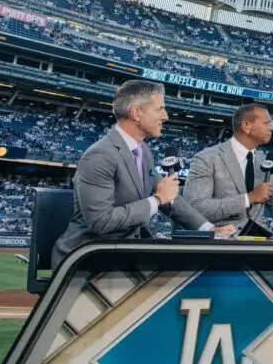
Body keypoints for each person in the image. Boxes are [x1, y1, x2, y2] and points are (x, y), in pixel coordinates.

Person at [52, 80, 234, 267]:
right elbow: (100, 222)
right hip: (88, 259)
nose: (165, 116)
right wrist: (156, 200)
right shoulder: (100, 156)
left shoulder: (143, 151)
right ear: (136, 113)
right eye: (159, 109)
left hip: (124, 252)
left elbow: (169, 198)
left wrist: (209, 229)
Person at [183, 103, 273, 237]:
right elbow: (195, 207)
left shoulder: (270, 164)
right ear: (246, 126)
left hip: (259, 243)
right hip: (221, 243)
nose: (271, 128)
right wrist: (248, 198)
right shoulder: (207, 158)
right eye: (266, 123)